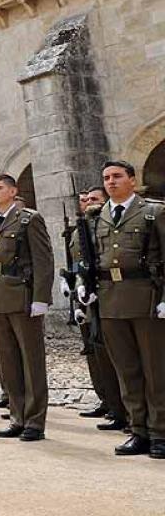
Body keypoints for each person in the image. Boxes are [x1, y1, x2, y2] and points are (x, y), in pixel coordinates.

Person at [87, 160, 165, 458]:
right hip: (110, 298)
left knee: (155, 370)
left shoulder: (154, 212)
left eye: (117, 176)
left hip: (146, 297)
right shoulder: (99, 216)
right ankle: (139, 430)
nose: (111, 182)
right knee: (127, 370)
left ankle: (160, 433)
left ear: (132, 180)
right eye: (106, 178)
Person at [0, 174, 53, 442]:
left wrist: (41, 298)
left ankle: (35, 421)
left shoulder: (29, 219)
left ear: (13, 191)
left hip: (23, 296)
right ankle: (17, 416)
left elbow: (43, 260)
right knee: (8, 361)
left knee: (31, 361)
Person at [73, 185, 128, 432]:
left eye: (93, 199)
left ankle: (125, 410)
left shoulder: (102, 224)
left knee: (116, 356)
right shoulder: (81, 227)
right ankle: (110, 403)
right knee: (95, 353)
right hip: (86, 295)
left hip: (110, 295)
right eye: (84, 200)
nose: (87, 203)